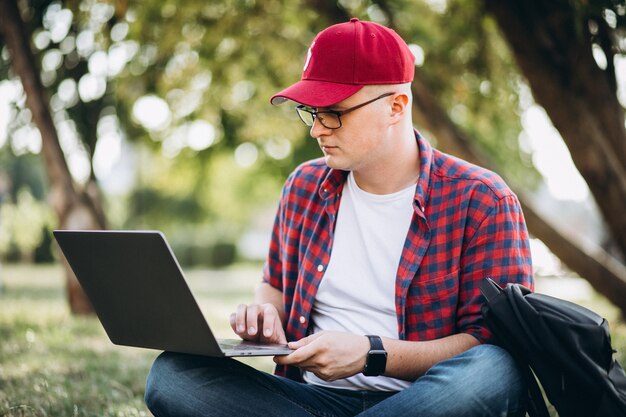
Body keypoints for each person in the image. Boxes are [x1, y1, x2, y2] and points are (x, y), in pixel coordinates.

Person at [144, 18, 533, 417]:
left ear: (396, 106)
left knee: (491, 369)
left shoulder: (482, 199)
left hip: (427, 398)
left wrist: (372, 354)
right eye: (311, 112)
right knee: (173, 374)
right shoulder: (304, 186)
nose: (316, 130)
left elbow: (489, 344)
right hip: (310, 401)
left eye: (332, 113)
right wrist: (265, 315)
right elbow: (274, 285)